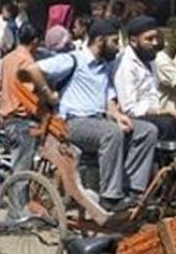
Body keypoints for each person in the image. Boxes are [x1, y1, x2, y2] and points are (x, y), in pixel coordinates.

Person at [27, 17, 157, 212]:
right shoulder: (73, 60)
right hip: (73, 123)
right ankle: (110, 197)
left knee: (147, 130)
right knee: (111, 133)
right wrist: (48, 94)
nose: (117, 47)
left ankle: (132, 190)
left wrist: (117, 114)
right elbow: (32, 69)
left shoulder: (104, 66)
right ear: (99, 41)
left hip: (99, 120)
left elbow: (109, 99)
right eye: (114, 42)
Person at [115, 15, 176, 140]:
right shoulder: (125, 64)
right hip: (134, 119)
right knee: (168, 125)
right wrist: (162, 112)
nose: (155, 43)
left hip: (155, 113)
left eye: (156, 38)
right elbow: (130, 109)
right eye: (149, 39)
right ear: (134, 41)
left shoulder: (150, 59)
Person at [0, 22, 45, 179]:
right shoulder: (28, 63)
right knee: (22, 172)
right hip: (23, 120)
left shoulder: (6, 59)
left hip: (8, 119)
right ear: (36, 41)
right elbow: (32, 92)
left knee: (18, 167)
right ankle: (18, 204)